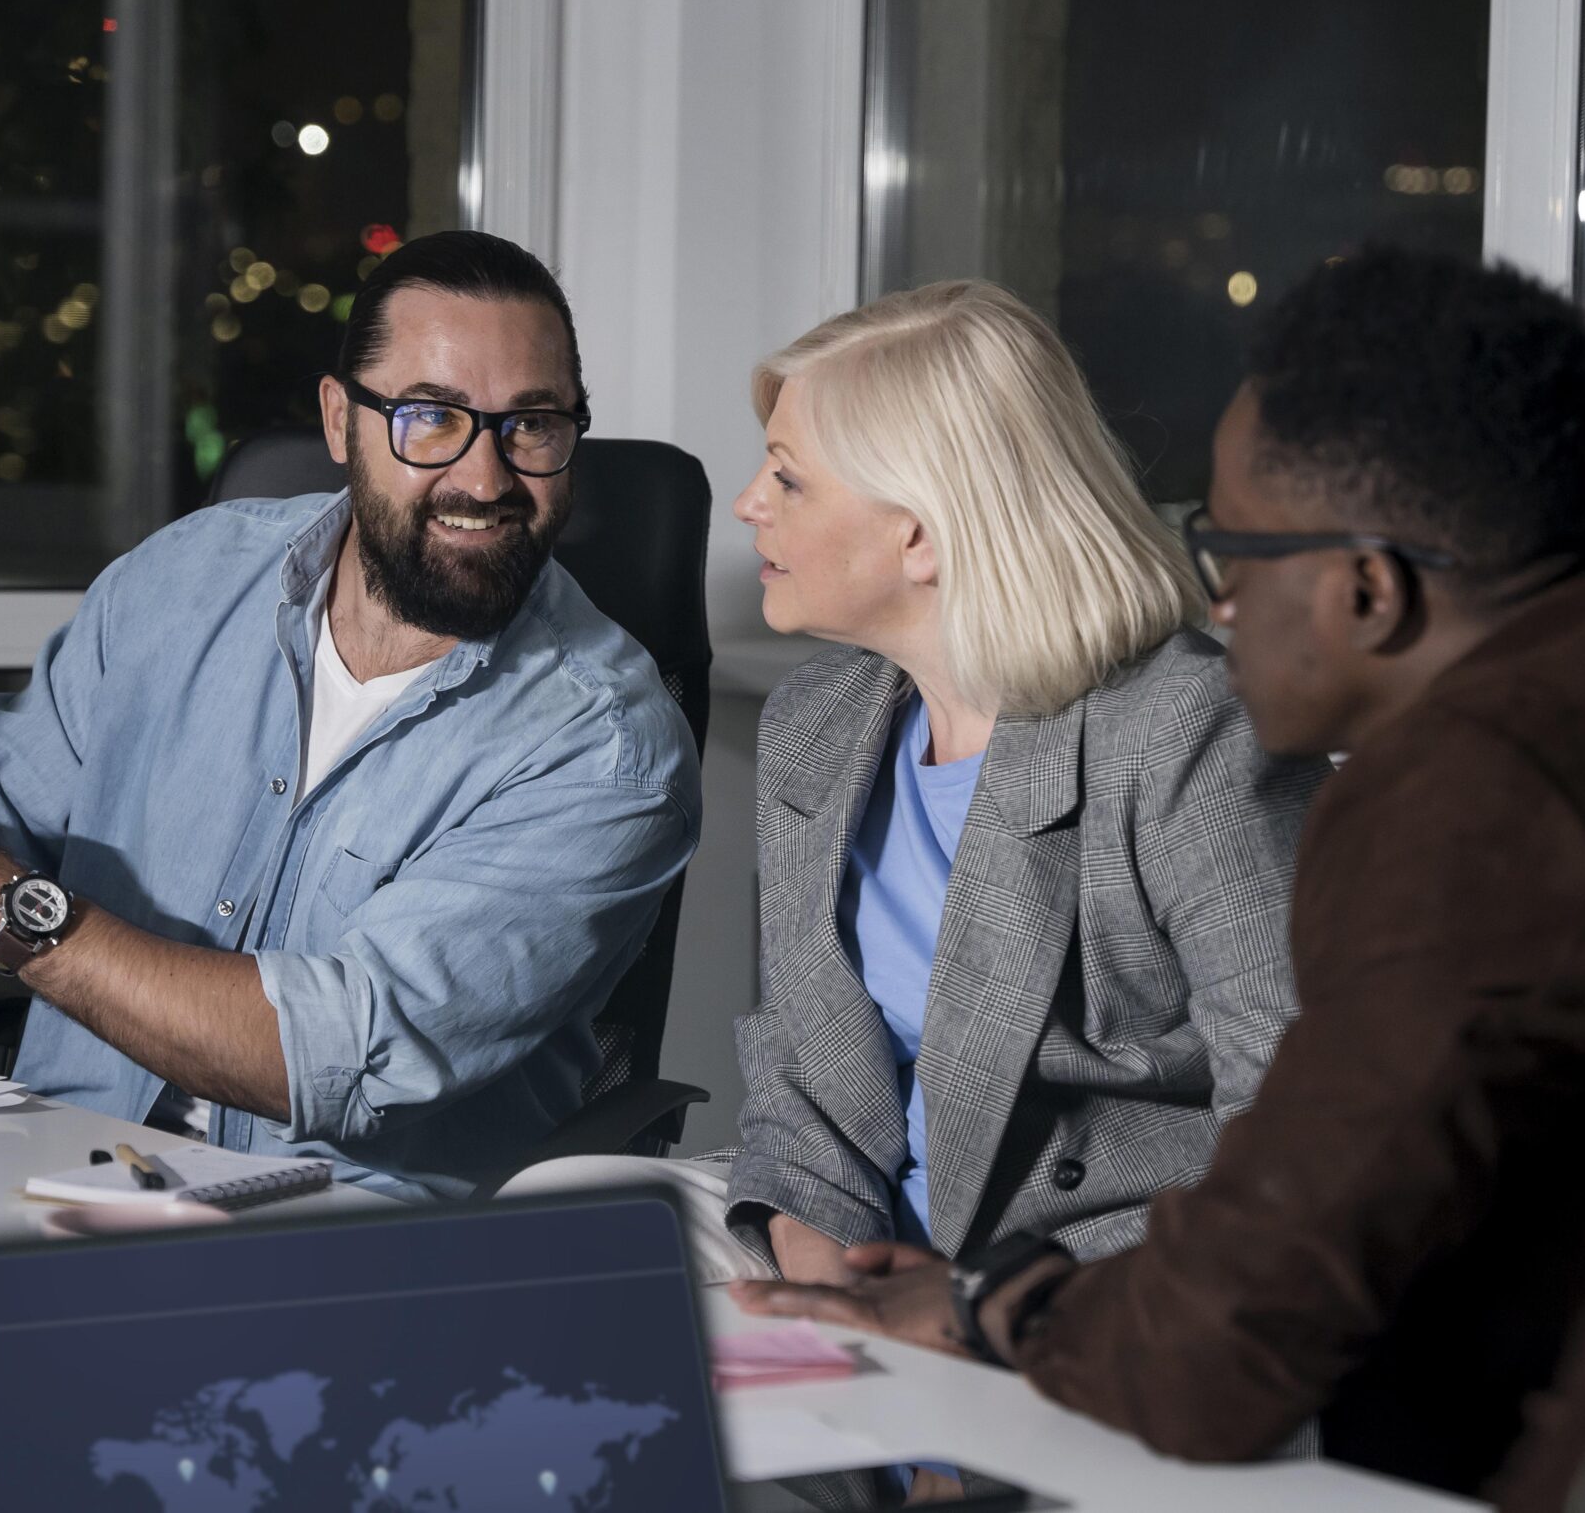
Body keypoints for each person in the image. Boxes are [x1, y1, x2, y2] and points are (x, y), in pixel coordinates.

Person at [732, 248, 1585, 1510]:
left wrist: (985, 1309)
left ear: (1367, 589)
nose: (1211, 611)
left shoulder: (1479, 800)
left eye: (1230, 555)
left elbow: (1242, 1326)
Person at [0, 230, 700, 1199]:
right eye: (430, 418)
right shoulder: (186, 578)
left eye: (532, 425)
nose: (486, 478)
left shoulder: (609, 750)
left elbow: (330, 1057)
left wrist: (11, 910)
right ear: (341, 423)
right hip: (53, 1171)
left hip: (346, 1246)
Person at [506, 280, 1320, 1295]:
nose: (749, 501)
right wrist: (826, 1284)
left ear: (922, 533)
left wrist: (983, 1325)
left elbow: (1296, 1133)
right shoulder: (821, 722)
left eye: (789, 479)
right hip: (861, 1241)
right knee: (544, 1227)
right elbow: (806, 1083)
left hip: (1085, 1280)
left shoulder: (1188, 731)